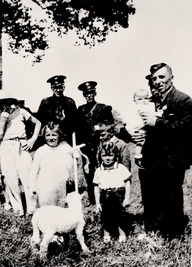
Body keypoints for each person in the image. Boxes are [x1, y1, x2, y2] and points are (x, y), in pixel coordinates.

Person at [131, 63, 192, 238]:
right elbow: (138, 125)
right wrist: (135, 137)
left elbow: (184, 129)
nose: (157, 81)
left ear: (171, 78)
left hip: (173, 159)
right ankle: (153, 230)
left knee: (171, 195)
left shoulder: (183, 100)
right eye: (154, 78)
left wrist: (157, 122)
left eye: (162, 77)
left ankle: (174, 234)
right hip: (150, 158)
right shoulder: (150, 102)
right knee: (151, 195)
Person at [0, 90, 41, 216]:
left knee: (26, 176)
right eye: (2, 103)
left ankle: (32, 208)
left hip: (21, 145)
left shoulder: (21, 112)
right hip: (6, 146)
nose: (5, 105)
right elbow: (0, 136)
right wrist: (2, 122)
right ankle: (18, 208)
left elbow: (38, 123)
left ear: (12, 102)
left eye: (8, 102)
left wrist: (33, 139)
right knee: (10, 177)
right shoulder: (0, 115)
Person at [76, 81, 114, 205]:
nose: (89, 95)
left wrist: (100, 128)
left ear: (95, 93)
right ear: (84, 95)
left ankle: (107, 196)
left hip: (101, 144)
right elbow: (78, 129)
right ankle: (93, 199)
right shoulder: (81, 109)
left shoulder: (103, 108)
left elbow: (110, 125)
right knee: (89, 171)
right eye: (87, 94)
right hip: (86, 146)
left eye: (91, 93)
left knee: (104, 168)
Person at [93, 142, 132, 243]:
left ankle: (122, 234)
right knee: (105, 215)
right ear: (100, 156)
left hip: (118, 194)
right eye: (104, 155)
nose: (107, 158)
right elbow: (96, 187)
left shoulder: (120, 168)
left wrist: (126, 198)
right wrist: (97, 203)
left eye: (110, 155)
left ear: (116, 156)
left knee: (120, 215)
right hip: (104, 195)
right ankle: (107, 234)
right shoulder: (98, 170)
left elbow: (127, 182)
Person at [126, 89, 163, 168]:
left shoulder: (149, 105)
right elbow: (149, 114)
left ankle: (139, 157)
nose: (143, 101)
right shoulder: (139, 107)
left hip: (142, 128)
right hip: (137, 128)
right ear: (134, 99)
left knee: (142, 143)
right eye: (140, 99)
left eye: (146, 98)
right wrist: (160, 113)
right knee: (140, 142)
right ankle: (138, 156)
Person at [36, 75, 77, 145]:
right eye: (55, 87)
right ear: (51, 88)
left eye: (60, 87)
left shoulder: (70, 102)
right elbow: (40, 121)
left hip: (66, 139)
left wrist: (65, 121)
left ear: (64, 87)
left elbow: (75, 122)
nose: (58, 90)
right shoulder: (45, 102)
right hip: (50, 139)